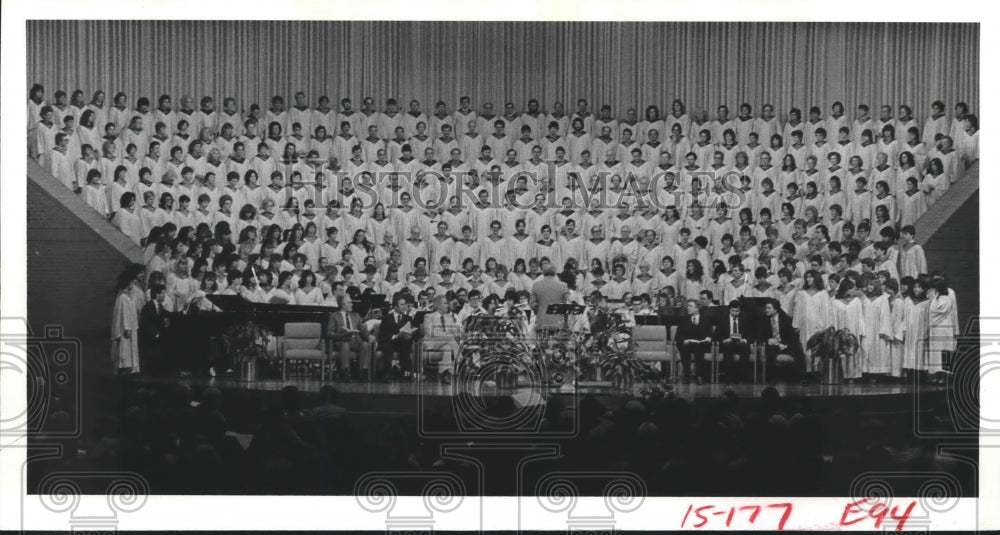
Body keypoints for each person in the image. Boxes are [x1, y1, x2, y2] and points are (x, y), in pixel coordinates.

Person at [327, 294, 373, 381]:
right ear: (342, 305)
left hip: (355, 341)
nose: (352, 304)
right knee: (345, 345)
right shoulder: (334, 315)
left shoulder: (356, 315)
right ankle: (345, 372)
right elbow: (329, 332)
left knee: (365, 345)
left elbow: (362, 331)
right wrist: (340, 336)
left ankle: (363, 372)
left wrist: (369, 336)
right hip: (342, 341)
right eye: (349, 302)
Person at [759, 298, 804, 383]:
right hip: (772, 345)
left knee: (798, 351)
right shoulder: (764, 319)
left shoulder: (785, 319)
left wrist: (784, 344)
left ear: (776, 309)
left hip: (784, 344)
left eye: (769, 308)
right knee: (770, 353)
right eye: (766, 308)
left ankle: (801, 378)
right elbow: (760, 336)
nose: (766, 310)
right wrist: (768, 340)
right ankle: (771, 379)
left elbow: (792, 336)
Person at [377, 294, 416, 381]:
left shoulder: (408, 318)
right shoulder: (386, 318)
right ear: (395, 307)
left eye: (405, 304)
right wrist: (395, 336)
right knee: (388, 347)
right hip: (390, 341)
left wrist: (410, 335)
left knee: (405, 347)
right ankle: (386, 374)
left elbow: (412, 333)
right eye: (402, 304)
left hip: (403, 342)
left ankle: (405, 374)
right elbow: (382, 335)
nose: (405, 306)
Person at [111, 266, 142, 375]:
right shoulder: (123, 297)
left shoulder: (130, 296)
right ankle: (125, 368)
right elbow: (123, 314)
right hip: (126, 329)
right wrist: (127, 327)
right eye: (132, 283)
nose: (134, 285)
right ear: (128, 283)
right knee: (125, 349)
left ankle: (131, 369)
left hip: (132, 326)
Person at [422, 295, 460, 383]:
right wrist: (447, 335)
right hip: (432, 343)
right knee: (449, 339)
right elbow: (431, 332)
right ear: (438, 305)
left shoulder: (449, 317)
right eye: (445, 303)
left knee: (447, 347)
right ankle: (460, 360)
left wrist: (460, 333)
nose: (448, 305)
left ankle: (445, 373)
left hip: (446, 343)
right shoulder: (428, 316)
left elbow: (455, 331)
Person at [714, 299, 753, 383]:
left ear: (740, 310)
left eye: (737, 311)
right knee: (728, 347)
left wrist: (745, 340)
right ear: (729, 310)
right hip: (728, 343)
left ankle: (742, 377)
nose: (735, 313)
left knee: (745, 348)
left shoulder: (745, 318)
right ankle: (729, 377)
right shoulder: (722, 319)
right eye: (733, 311)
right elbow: (717, 335)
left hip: (741, 343)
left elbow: (751, 334)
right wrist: (724, 340)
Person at [675, 299, 713, 384]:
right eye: (687, 306)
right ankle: (687, 376)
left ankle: (699, 376)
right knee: (685, 347)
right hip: (687, 344)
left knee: (698, 347)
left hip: (701, 345)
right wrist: (685, 340)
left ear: (697, 308)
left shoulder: (705, 319)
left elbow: (710, 333)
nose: (687, 308)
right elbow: (678, 335)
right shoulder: (684, 319)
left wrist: (708, 338)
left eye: (690, 306)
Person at [138, 283, 171, 375]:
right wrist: (155, 333)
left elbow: (168, 314)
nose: (164, 295)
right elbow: (145, 322)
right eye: (163, 293)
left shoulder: (160, 307)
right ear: (157, 294)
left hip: (157, 337)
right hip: (149, 338)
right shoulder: (148, 307)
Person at [531, 265, 569, 330]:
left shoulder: (536, 285)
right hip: (558, 322)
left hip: (542, 321)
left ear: (543, 273)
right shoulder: (563, 286)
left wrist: (539, 309)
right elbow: (566, 304)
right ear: (555, 272)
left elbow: (533, 304)